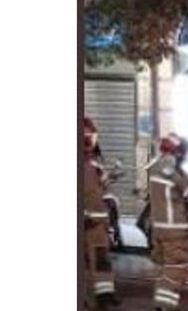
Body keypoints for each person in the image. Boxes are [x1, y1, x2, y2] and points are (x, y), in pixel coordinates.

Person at [148, 133, 188, 310]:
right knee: (176, 270)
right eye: (184, 154)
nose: (186, 158)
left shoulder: (154, 168)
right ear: (178, 153)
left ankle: (162, 305)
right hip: (175, 231)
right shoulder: (175, 174)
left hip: (159, 229)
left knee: (165, 269)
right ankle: (164, 307)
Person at [83, 117, 121, 308]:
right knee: (87, 266)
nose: (88, 140)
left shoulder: (95, 163)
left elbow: (100, 190)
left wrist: (110, 202)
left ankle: (105, 295)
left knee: (102, 262)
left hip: (99, 226)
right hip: (86, 225)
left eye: (91, 135)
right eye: (84, 136)